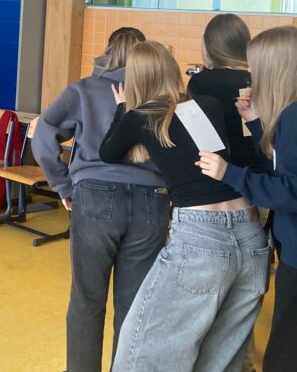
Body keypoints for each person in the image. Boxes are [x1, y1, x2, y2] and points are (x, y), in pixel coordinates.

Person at [98, 41, 269, 372]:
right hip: (251, 234)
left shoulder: (138, 115)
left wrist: (121, 108)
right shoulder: (207, 105)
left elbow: (108, 153)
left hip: (201, 237)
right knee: (220, 358)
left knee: (141, 350)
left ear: (135, 78)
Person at [32, 27, 166, 372]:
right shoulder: (162, 94)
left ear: (107, 52)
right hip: (152, 201)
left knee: (87, 300)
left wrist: (62, 185)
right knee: (134, 305)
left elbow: (43, 134)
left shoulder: (84, 90)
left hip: (95, 196)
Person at [196, 26, 297, 372]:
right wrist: (255, 124)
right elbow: (281, 165)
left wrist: (230, 173)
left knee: (284, 353)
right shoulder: (289, 115)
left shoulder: (293, 117)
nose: (251, 73)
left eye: (255, 67)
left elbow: (289, 190)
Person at [188, 13, 261, 169]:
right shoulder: (256, 79)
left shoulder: (200, 81)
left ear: (208, 43)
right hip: (258, 166)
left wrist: (208, 60)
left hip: (216, 167)